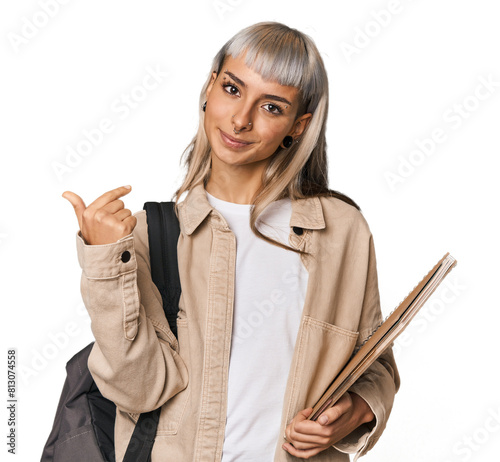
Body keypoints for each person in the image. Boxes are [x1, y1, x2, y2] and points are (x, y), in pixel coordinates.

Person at [62, 21, 400, 461]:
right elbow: (140, 391)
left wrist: (354, 410)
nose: (241, 120)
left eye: (272, 107)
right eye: (233, 89)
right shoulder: (150, 233)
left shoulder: (340, 231)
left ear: (299, 125)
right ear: (209, 87)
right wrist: (106, 263)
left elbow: (375, 364)